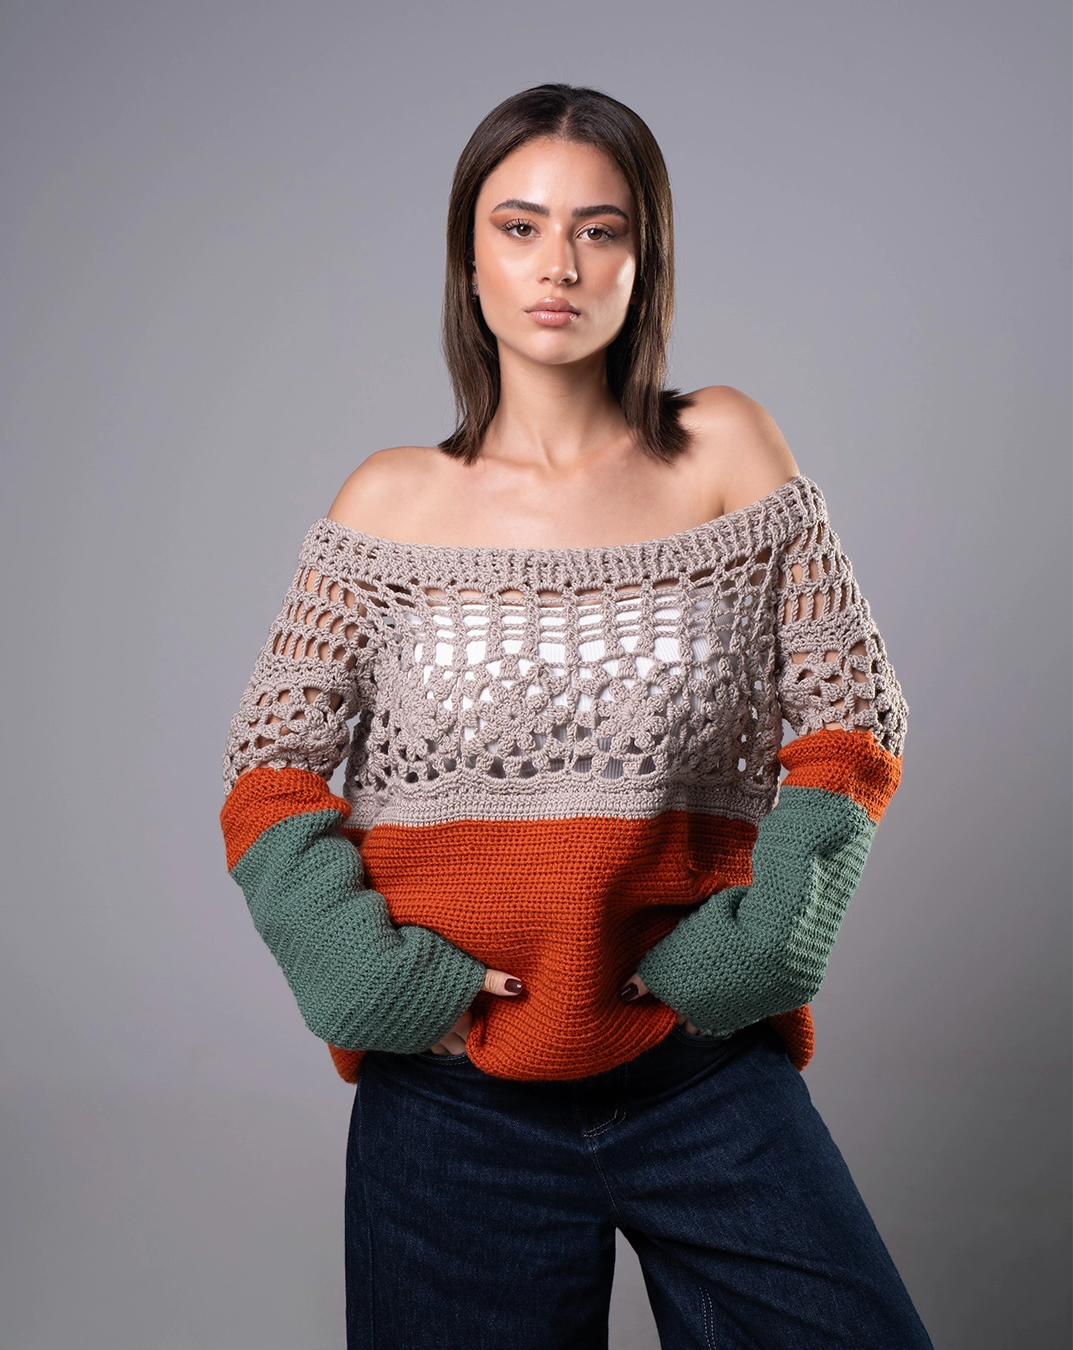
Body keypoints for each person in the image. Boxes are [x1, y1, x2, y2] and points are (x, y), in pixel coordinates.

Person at [221, 83, 932, 1350]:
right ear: (468, 255)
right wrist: (368, 982)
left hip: (701, 1072)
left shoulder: (725, 449)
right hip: (451, 1103)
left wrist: (765, 951)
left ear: (644, 259)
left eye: (600, 230)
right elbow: (271, 772)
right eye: (521, 226)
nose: (559, 265)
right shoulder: (391, 503)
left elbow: (851, 718)